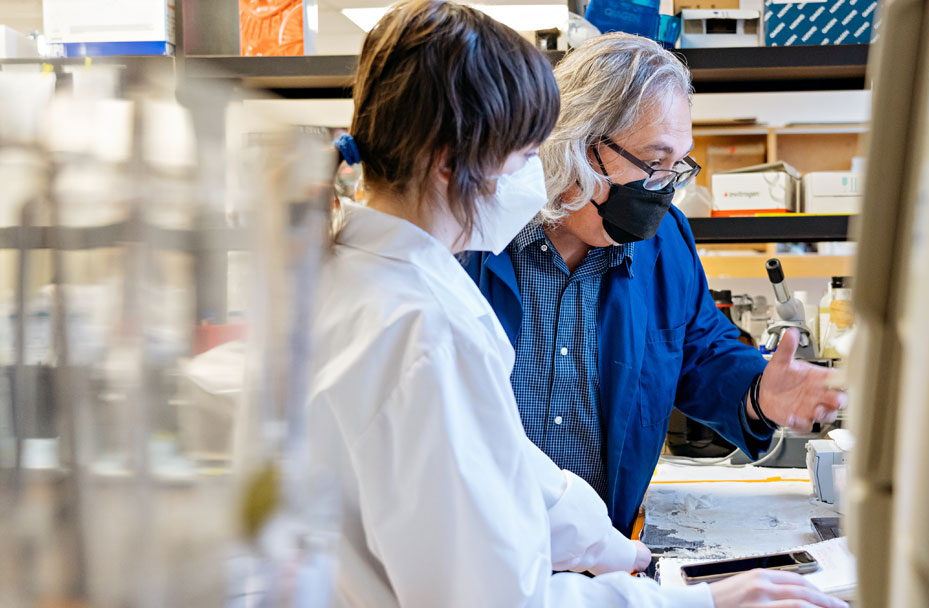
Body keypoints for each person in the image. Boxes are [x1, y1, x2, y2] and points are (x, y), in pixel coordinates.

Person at [308, 2, 846, 607]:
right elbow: (494, 590)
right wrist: (696, 603)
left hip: (589, 552)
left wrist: (610, 549)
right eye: (521, 154)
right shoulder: (438, 304)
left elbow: (501, 458)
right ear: (581, 146)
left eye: (678, 168)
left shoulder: (365, 276)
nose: (527, 176)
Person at [463, 33, 846, 536]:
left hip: (605, 548)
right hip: (473, 546)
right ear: (579, 144)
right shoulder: (475, 236)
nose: (665, 188)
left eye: (677, 165)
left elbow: (700, 351)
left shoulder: (665, 243)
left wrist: (758, 394)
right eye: (653, 161)